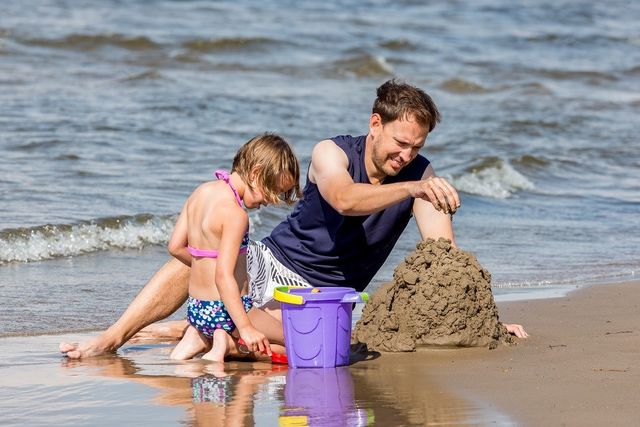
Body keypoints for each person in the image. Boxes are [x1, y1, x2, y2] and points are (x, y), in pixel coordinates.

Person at [60, 79, 526, 359]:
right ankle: (113, 337)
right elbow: (343, 199)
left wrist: (480, 317)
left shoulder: (421, 180)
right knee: (198, 259)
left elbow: (442, 262)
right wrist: (411, 187)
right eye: (399, 142)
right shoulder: (332, 152)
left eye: (416, 148)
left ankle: (190, 330)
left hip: (319, 298)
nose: (406, 156)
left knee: (304, 352)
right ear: (375, 124)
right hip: (269, 263)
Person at [166, 133, 301, 361]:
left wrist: (205, 269)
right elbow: (223, 276)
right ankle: (226, 341)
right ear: (256, 172)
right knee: (296, 341)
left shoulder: (201, 192)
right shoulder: (236, 215)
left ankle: (197, 340)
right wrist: (246, 327)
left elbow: (175, 247)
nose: (269, 201)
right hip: (229, 311)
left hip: (198, 310)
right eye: (272, 191)